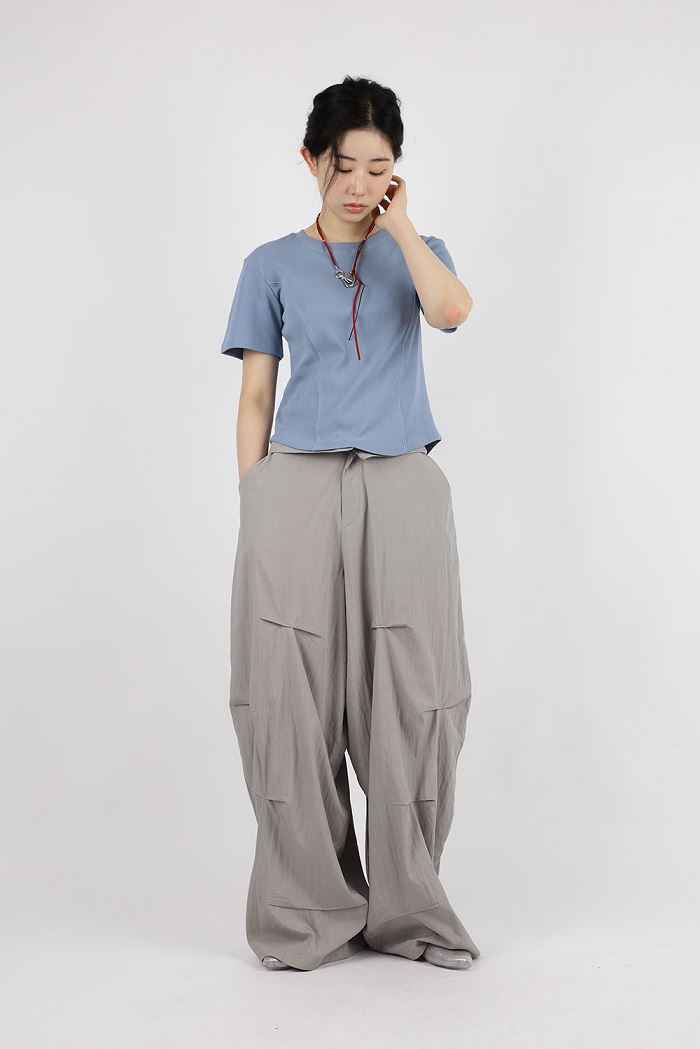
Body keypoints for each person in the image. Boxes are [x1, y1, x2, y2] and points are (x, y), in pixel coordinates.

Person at [219, 76, 480, 972]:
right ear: (310, 161)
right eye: (345, 165)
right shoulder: (269, 264)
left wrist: (401, 229)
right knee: (285, 690)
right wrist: (255, 497)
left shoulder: (419, 250)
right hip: (295, 482)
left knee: (416, 687)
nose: (361, 182)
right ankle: (308, 911)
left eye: (380, 166)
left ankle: (409, 910)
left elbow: (452, 311)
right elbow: (255, 393)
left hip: (402, 479)